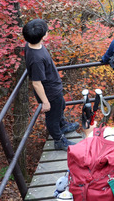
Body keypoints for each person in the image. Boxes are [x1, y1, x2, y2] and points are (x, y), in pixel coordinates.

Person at [23, 19, 79, 150]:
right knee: (52, 117)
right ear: (43, 36)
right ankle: (59, 140)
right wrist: (45, 101)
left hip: (53, 88)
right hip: (49, 93)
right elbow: (36, 83)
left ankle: (62, 125)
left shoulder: (31, 45)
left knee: (61, 107)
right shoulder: (36, 58)